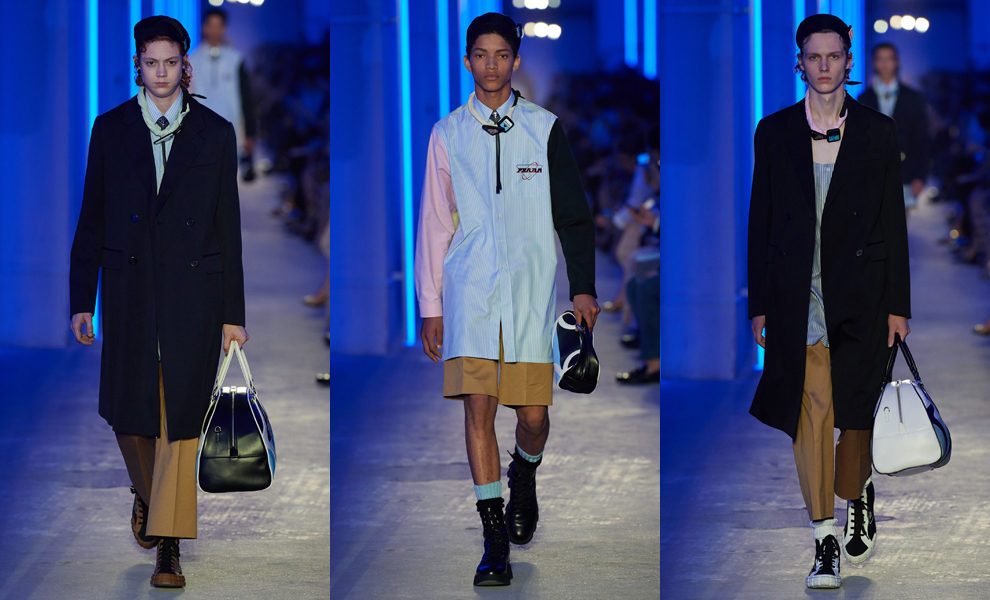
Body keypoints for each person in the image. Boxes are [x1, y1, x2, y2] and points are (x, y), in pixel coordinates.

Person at [414, 13, 598, 587]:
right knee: (478, 411)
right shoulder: (447, 133)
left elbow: (573, 215)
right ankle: (494, 541)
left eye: (501, 55)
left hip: (530, 293)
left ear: (516, 60)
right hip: (469, 293)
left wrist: (583, 286)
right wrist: (430, 304)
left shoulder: (544, 129)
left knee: (534, 418)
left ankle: (526, 472)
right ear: (467, 60)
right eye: (480, 54)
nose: (490, 65)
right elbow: (435, 223)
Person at [69, 15, 248, 589]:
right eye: (152, 63)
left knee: (180, 422)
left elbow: (227, 225)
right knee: (129, 415)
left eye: (171, 63)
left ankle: (168, 546)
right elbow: (92, 215)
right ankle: (147, 495)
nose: (162, 73)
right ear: (137, 66)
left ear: (184, 64)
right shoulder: (110, 129)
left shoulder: (215, 133)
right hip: (129, 288)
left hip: (194, 291)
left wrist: (234, 313)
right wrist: (82, 298)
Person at [747, 14, 911, 590]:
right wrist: (760, 304)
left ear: (848, 61)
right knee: (811, 414)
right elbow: (761, 220)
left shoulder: (877, 132)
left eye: (833, 56)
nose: (823, 66)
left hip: (863, 292)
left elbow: (893, 223)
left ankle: (857, 489)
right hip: (800, 295)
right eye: (813, 57)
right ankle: (824, 538)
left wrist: (898, 306)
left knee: (856, 414)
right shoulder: (774, 131)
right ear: (800, 64)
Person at [858, 43, 931, 209]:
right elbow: (860, 141)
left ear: (897, 62)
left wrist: (920, 176)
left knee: (901, 221)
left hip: (906, 173)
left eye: (889, 59)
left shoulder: (913, 98)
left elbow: (922, 139)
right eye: (880, 59)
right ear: (874, 63)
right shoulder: (864, 99)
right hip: (873, 175)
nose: (884, 64)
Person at [189, 8, 257, 180]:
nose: (214, 30)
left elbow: (246, 96)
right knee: (203, 181)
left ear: (224, 28)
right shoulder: (192, 61)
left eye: (218, 26)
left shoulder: (235, 59)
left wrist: (250, 133)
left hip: (230, 129)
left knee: (228, 181)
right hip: (202, 131)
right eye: (211, 25)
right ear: (204, 28)